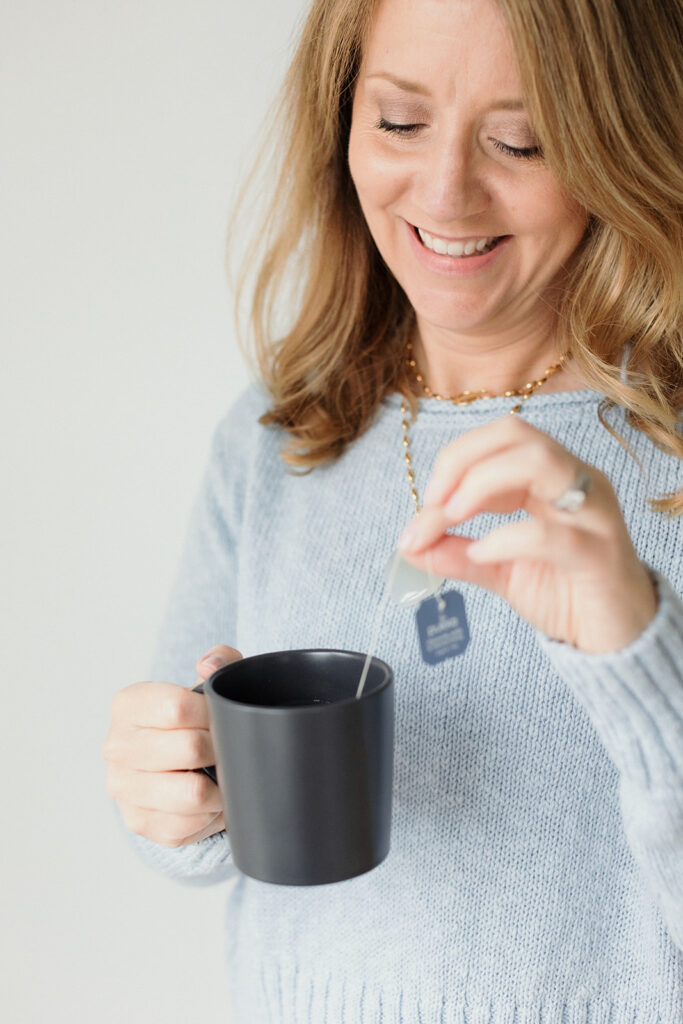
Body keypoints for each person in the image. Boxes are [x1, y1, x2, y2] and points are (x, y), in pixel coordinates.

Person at [103, 0, 683, 1019]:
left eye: (520, 138)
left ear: (614, 138)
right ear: (339, 126)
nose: (447, 193)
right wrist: (174, 787)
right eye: (400, 123)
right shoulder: (276, 434)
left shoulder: (662, 455)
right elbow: (191, 820)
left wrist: (638, 648)